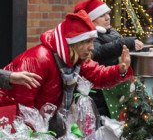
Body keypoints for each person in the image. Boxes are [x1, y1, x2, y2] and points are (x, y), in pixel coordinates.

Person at [0, 10, 132, 113]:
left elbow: (97, 75)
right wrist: (35, 136)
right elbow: (23, 105)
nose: (92, 47)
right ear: (75, 43)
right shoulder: (40, 59)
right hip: (9, 119)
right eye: (88, 42)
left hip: (44, 119)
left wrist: (120, 70)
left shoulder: (75, 59)